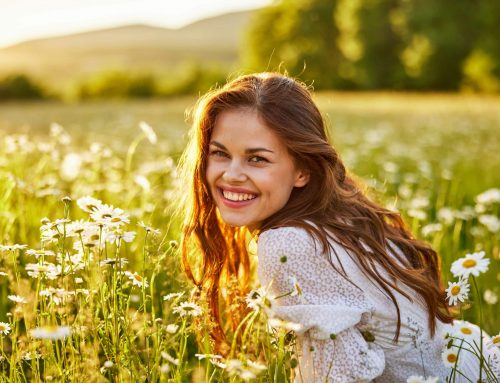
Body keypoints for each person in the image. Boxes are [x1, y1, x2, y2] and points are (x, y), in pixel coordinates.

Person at [178, 72, 499, 382]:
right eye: (220, 153)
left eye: (257, 159)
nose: (232, 174)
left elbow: (337, 374)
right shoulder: (336, 218)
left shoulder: (290, 243)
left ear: (302, 170)